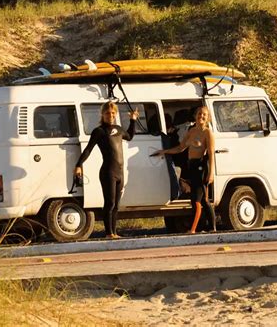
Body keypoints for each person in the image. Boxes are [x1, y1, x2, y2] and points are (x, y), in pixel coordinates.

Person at [74, 101, 139, 239]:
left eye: (113, 113)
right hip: (108, 172)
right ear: (102, 114)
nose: (110, 115)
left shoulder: (119, 129)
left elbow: (130, 136)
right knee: (109, 203)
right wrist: (79, 165)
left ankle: (114, 232)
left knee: (116, 205)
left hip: (120, 172)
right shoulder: (99, 131)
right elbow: (88, 149)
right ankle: (108, 233)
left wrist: (133, 120)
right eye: (108, 113)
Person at [152, 106, 216, 233]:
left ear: (207, 117)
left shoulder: (207, 132)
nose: (201, 116)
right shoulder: (191, 131)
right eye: (199, 113)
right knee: (203, 200)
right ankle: (211, 228)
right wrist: (164, 151)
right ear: (195, 115)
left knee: (197, 200)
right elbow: (180, 148)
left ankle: (194, 229)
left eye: (204, 114)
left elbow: (210, 154)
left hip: (201, 167)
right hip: (191, 166)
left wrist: (211, 173)